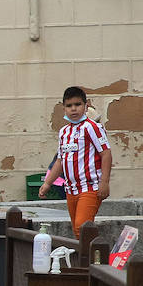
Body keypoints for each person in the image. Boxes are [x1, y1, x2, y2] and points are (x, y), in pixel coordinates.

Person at [39, 85, 112, 233]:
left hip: (90, 187)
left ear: (86, 106)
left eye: (77, 104)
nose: (73, 109)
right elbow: (60, 160)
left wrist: (104, 182)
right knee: (78, 230)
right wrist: (47, 183)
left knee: (82, 227)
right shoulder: (63, 132)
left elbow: (106, 154)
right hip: (71, 189)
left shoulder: (92, 127)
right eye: (69, 106)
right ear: (64, 109)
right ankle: (92, 248)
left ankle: (95, 249)